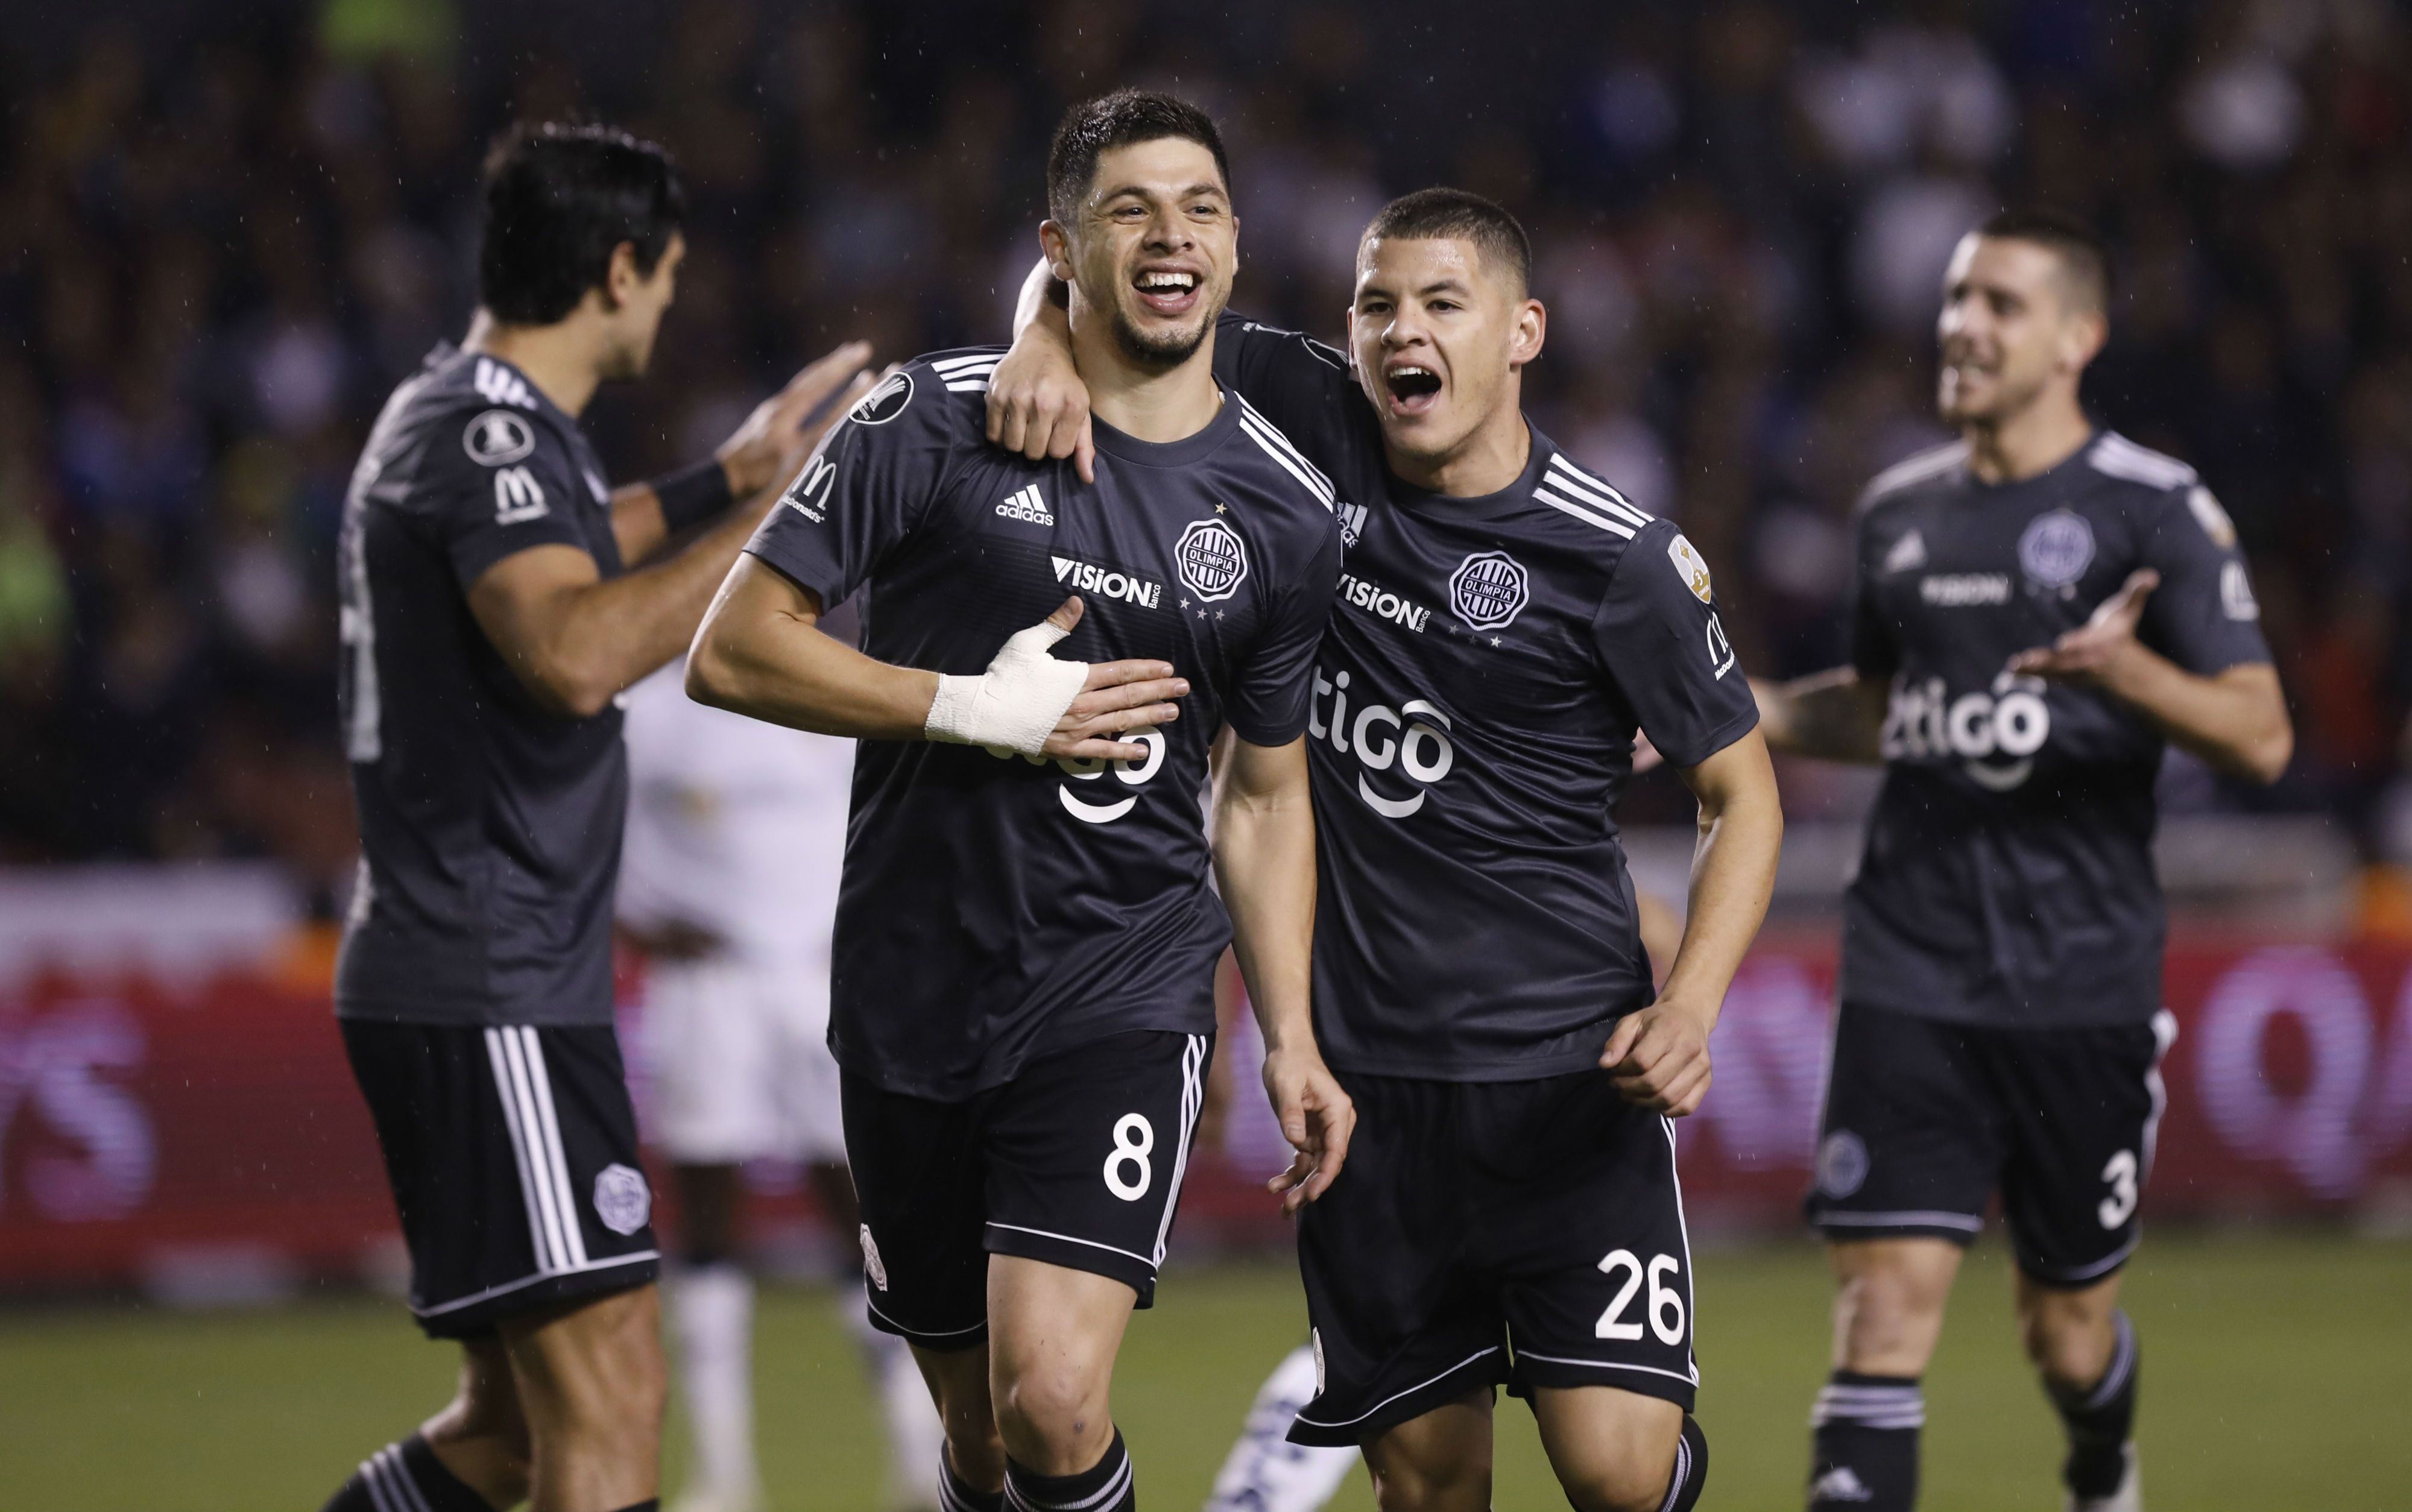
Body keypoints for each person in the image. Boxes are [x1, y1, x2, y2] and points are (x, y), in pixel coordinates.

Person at [989, 187, 1784, 1512]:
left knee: (1616, 1476)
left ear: (1522, 331)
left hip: (1561, 1082)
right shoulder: (1308, 421)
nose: (1396, 331)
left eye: (1437, 303)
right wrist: (1031, 343)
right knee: (1427, 1489)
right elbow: (1105, 302)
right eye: (1373, 305)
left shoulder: (1617, 560)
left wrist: (1691, 1004)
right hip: (1369, 1096)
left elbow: (1740, 796)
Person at [683, 90, 1356, 1512]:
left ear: (1235, 249)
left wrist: (1287, 1032)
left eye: (1201, 211)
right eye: (1130, 211)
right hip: (908, 990)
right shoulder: (928, 421)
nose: (1172, 238)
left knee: (1052, 1396)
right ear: (1060, 248)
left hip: (1118, 990)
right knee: (981, 1444)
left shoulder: (1288, 512)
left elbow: (1265, 798)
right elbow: (734, 647)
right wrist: (970, 706)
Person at [326, 121, 873, 1512]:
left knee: (511, 1432)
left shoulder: (467, 416)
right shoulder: (492, 428)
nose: (677, 297)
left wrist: (726, 484)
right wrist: (774, 540)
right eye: (670, 269)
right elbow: (568, 646)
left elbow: (567, 538)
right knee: (614, 1393)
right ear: (620, 269)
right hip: (487, 970)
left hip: (485, 971)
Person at [1748, 211, 2291, 1512]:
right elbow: (1888, 710)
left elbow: (2261, 736)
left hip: (2080, 985)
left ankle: (2099, 1458)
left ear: (2073, 337)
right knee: (1882, 1313)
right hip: (1909, 968)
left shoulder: (2151, 510)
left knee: (2063, 1329)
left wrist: (2129, 671)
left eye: (1997, 303)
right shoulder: (1897, 514)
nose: (1961, 326)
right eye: (1953, 299)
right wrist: (1751, 707)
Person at [1195, 896, 1685, 1512]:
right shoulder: (1326, 824)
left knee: (1621, 1470)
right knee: (1419, 1481)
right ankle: (1254, 1497)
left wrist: (1676, 1006)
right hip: (1382, 1097)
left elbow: (1655, 926)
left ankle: (1252, 1497)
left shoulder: (1529, 846)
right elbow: (1238, 848)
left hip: (1552, 1115)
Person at [618, 649, 944, 1512]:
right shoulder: (653, 706)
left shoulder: (832, 673)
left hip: (825, 976)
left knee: (864, 1218)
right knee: (710, 1216)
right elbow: (580, 816)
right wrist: (633, 919)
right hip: (710, 980)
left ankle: (919, 1458)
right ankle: (724, 1475)